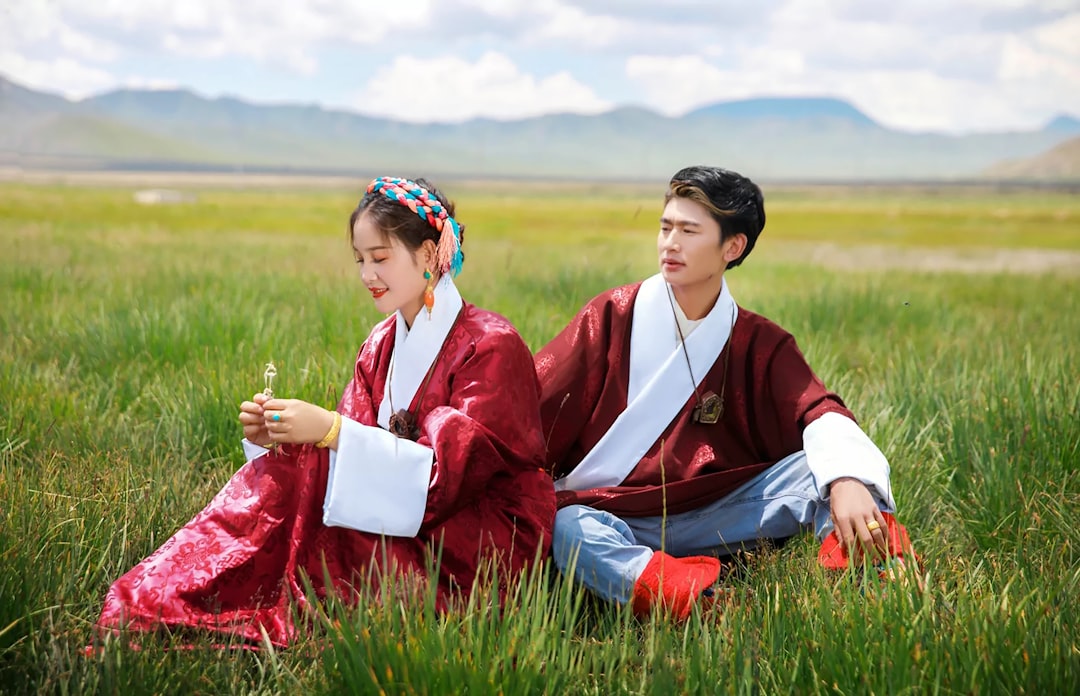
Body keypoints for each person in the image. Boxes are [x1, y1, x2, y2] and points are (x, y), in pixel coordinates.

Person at [93, 176, 556, 647]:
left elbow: (453, 475)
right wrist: (281, 438)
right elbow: (343, 458)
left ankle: (214, 597)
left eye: (380, 258)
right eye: (360, 260)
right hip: (404, 505)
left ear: (429, 254)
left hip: (481, 536)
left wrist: (332, 432)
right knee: (299, 469)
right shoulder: (380, 344)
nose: (367, 275)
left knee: (322, 503)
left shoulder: (490, 346)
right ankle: (178, 593)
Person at [535, 165, 917, 620]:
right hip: (618, 515)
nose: (670, 243)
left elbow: (819, 410)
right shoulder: (611, 317)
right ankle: (704, 604)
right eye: (665, 227)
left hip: (719, 513)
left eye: (689, 231)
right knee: (569, 527)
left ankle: (886, 587)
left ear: (732, 247)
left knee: (829, 470)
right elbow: (533, 407)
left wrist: (847, 480)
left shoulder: (759, 342)